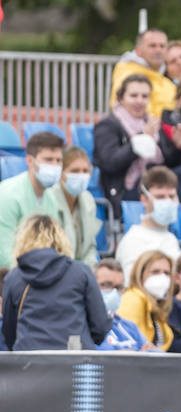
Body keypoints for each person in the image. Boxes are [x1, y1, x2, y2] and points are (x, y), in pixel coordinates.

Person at [1, 213, 109, 351]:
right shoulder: (81, 272)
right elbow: (100, 327)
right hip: (76, 360)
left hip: (29, 364)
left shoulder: (14, 277)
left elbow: (8, 333)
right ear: (61, 239)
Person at [93, 74, 164, 211]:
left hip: (152, 182)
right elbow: (110, 162)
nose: (139, 101)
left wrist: (179, 146)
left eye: (144, 96)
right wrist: (142, 138)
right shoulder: (108, 125)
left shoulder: (152, 123)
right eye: (133, 95)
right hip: (123, 188)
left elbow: (166, 160)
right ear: (121, 98)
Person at [0, 130, 64, 269]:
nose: (55, 165)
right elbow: (4, 255)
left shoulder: (51, 198)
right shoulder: (8, 194)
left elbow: (54, 247)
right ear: (29, 160)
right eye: (48, 160)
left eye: (58, 160)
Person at [114, 166, 181, 276]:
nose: (168, 202)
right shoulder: (134, 240)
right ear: (144, 199)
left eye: (172, 196)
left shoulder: (171, 239)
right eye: (160, 197)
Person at [44, 146, 100, 268]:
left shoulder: (88, 199)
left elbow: (90, 246)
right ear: (61, 173)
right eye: (75, 171)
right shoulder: (48, 198)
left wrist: (90, 272)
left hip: (82, 270)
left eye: (85, 171)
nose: (81, 175)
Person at [109, 29, 176, 120]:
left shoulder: (167, 81)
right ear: (138, 50)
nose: (158, 50)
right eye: (152, 46)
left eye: (162, 46)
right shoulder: (129, 75)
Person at [117, 249, 175, 349]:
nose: (162, 277)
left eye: (166, 273)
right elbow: (124, 339)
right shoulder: (133, 299)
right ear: (140, 274)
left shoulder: (157, 309)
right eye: (155, 272)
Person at [93, 258, 153, 351]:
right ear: (91, 286)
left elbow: (155, 354)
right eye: (106, 285)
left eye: (118, 287)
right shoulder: (84, 327)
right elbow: (104, 360)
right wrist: (139, 352)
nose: (114, 292)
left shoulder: (129, 326)